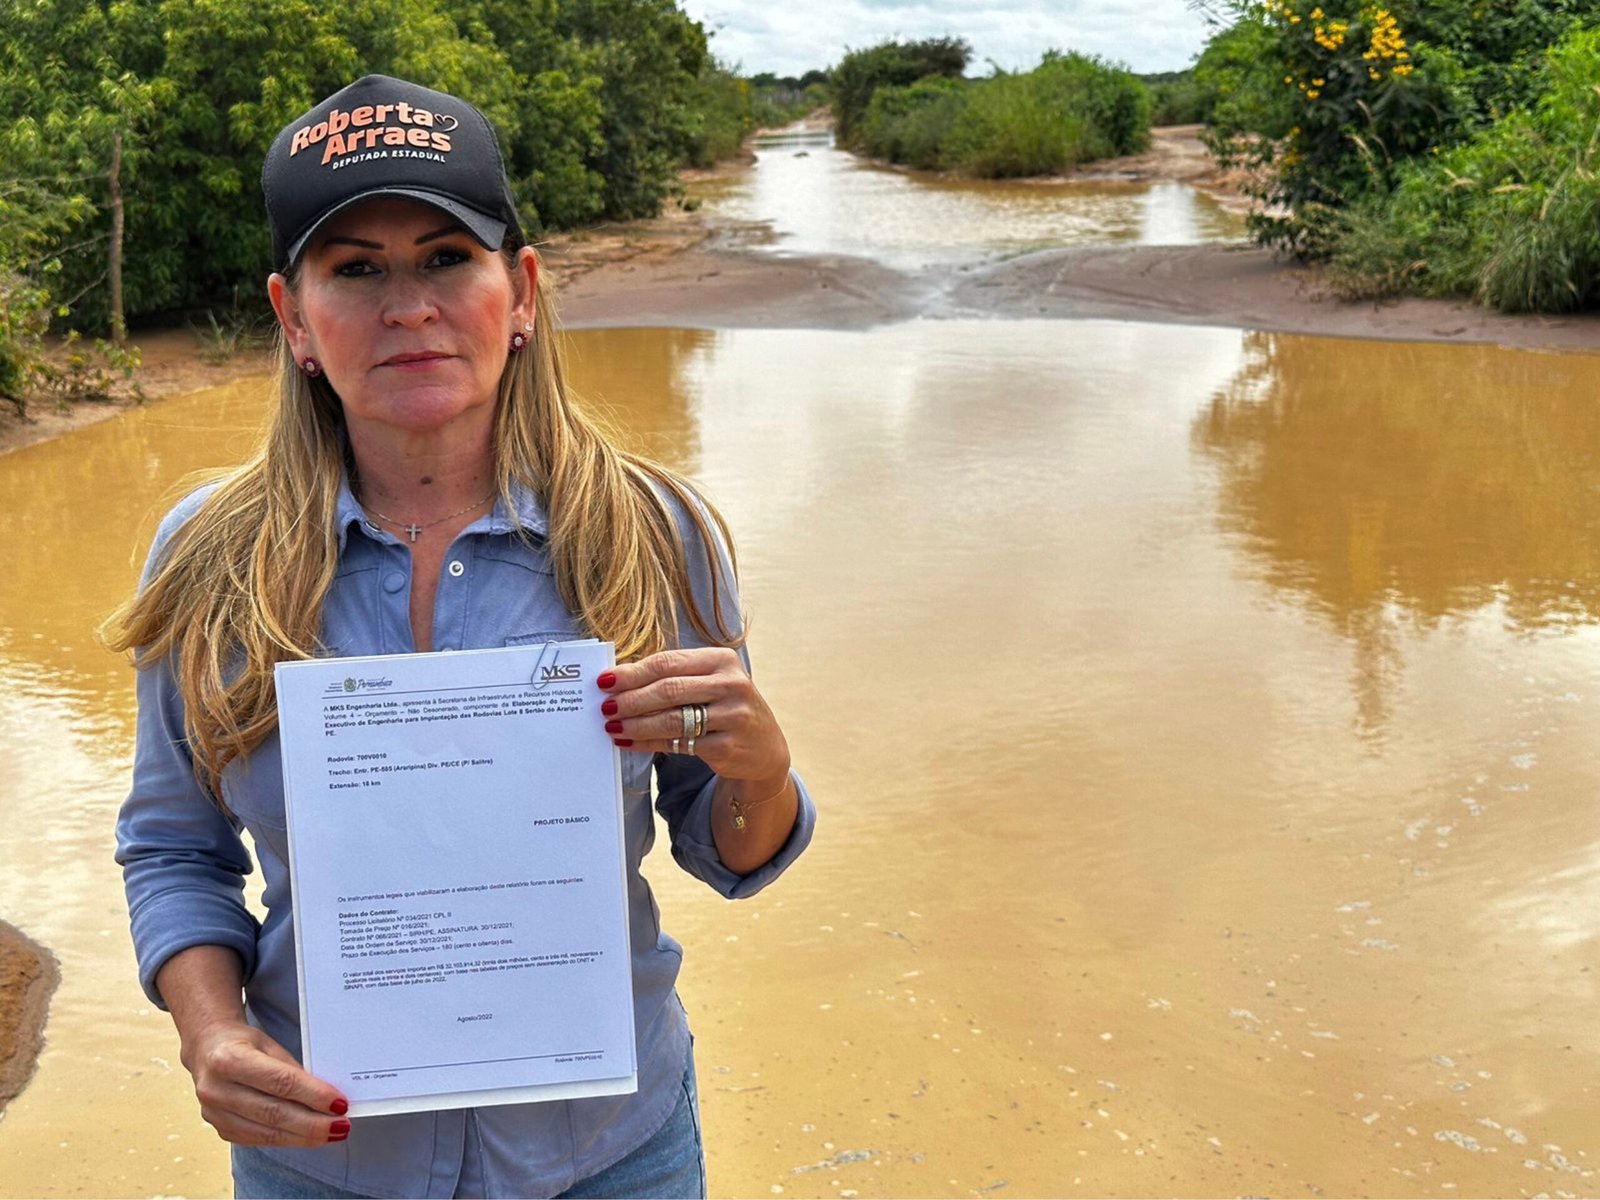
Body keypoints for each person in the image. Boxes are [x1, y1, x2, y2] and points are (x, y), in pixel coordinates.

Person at [107, 74, 816, 1200]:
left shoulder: (652, 529)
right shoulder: (207, 557)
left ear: (520, 291)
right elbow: (173, 848)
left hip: (613, 1154)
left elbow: (727, 849)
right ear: (293, 318)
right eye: (356, 270)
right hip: (325, 1160)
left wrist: (760, 772)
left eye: (447, 257)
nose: (409, 307)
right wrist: (211, 1032)